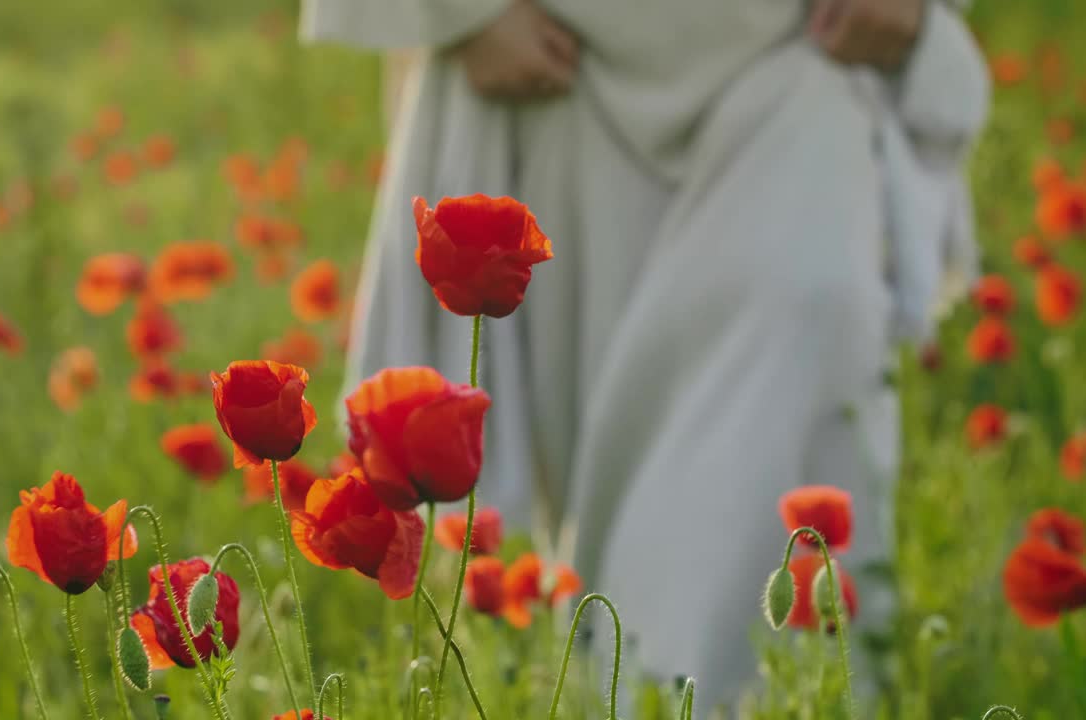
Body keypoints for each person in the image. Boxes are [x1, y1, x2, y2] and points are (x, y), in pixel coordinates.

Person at [302, 0, 989, 708]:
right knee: (607, 488)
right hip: (561, 60)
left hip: (804, 50)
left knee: (812, 310)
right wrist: (462, 17)